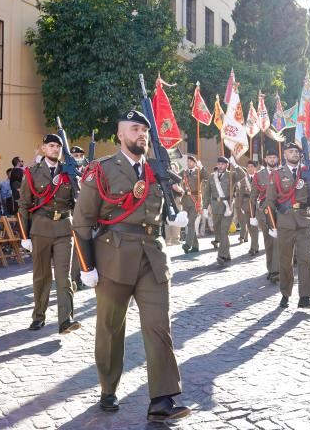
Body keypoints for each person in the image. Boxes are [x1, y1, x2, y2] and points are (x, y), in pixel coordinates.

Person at [71, 110, 190, 420]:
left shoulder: (157, 171)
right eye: (134, 128)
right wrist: (86, 266)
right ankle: (108, 388)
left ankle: (162, 401)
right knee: (110, 329)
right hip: (113, 257)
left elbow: (166, 206)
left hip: (152, 256)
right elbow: (82, 220)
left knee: (158, 326)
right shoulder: (102, 170)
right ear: (120, 134)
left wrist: (175, 215)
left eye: (144, 130)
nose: (141, 134)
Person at [18, 134, 81, 336]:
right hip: (41, 229)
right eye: (51, 146)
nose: (55, 149)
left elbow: (77, 202)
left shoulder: (69, 172)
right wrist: (24, 236)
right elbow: (24, 206)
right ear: (43, 149)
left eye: (58, 146)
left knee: (64, 277)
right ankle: (38, 316)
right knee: (42, 277)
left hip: (64, 228)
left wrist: (77, 180)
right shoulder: (32, 173)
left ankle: (66, 320)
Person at [266, 141, 310, 309]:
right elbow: (270, 202)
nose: (294, 153)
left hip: (303, 221)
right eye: (291, 151)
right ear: (285, 155)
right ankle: (285, 294)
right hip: (285, 223)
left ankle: (305, 297)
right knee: (285, 261)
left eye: (296, 151)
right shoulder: (277, 174)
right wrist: (272, 225)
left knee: (305, 259)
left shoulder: (306, 171)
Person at [202, 155, 245, 265]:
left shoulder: (231, 175)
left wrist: (235, 165)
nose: (220, 166)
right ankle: (227, 254)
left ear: (227, 165)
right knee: (218, 233)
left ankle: (221, 255)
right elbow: (207, 193)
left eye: (223, 164)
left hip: (227, 207)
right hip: (215, 207)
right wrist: (205, 207)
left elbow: (242, 175)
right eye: (219, 164)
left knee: (224, 231)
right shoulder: (212, 177)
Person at [251, 149, 280, 282]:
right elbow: (253, 196)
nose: (272, 159)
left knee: (278, 241)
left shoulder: (283, 172)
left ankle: (276, 270)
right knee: (268, 242)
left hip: (280, 211)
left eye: (274, 157)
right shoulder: (259, 175)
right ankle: (271, 269)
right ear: (266, 159)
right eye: (270, 157)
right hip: (264, 212)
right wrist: (252, 216)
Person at [180, 155, 207, 254]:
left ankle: (187, 244)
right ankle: (195, 247)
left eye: (190, 162)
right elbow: (175, 177)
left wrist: (202, 167)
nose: (188, 163)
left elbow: (207, 177)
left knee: (191, 222)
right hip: (186, 200)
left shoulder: (199, 172)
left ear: (194, 163)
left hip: (195, 200)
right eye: (187, 162)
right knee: (188, 223)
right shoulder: (184, 172)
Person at [236, 160, 260, 255]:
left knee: (254, 226)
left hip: (256, 205)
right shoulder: (243, 180)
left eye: (252, 166)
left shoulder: (260, 178)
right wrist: (241, 206)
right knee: (249, 227)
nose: (250, 168)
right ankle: (255, 245)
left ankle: (253, 247)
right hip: (246, 205)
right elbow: (241, 194)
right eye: (248, 166)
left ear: (255, 168)